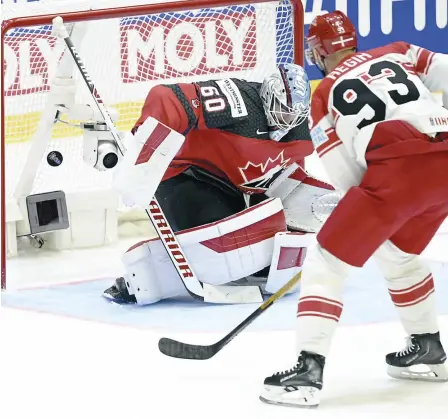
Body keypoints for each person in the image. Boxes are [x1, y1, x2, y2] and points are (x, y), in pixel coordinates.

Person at [260, 10, 448, 409]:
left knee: (325, 265)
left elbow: (345, 176)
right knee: (398, 256)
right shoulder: (397, 51)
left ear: (317, 52)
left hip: (397, 172)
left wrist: (361, 217)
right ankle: (428, 347)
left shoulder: (322, 93)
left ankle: (307, 371)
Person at [103, 64, 336, 305]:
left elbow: (289, 178)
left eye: (294, 115)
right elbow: (166, 97)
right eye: (282, 110)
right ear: (267, 97)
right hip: (183, 173)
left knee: (256, 257)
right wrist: (142, 157)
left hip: (226, 186)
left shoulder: (301, 131)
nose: (286, 121)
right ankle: (141, 278)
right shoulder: (238, 102)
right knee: (218, 250)